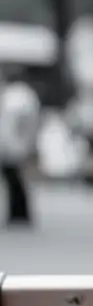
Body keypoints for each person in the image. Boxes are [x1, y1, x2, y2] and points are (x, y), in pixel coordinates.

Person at [0, 67, 40, 225]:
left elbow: (12, 123)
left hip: (11, 144)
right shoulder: (25, 94)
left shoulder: (16, 95)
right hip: (17, 143)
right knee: (15, 179)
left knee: (13, 180)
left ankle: (18, 213)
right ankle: (18, 212)